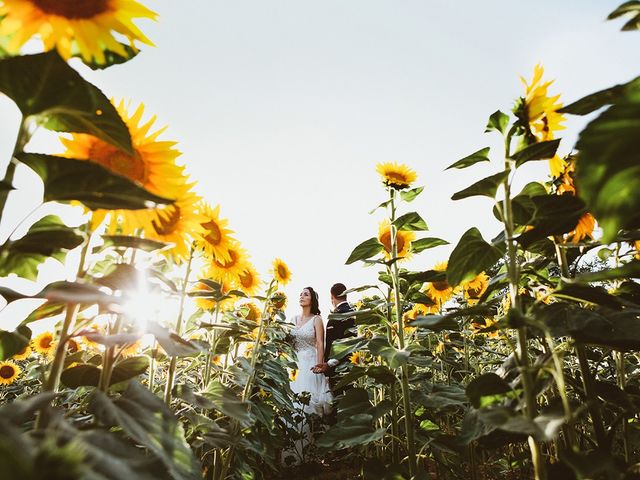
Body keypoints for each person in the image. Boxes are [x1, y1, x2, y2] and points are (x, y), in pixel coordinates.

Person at [284, 287, 332, 465]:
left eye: (306, 294)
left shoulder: (317, 319)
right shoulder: (292, 319)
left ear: (312, 299)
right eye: (300, 293)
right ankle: (293, 455)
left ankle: (313, 455)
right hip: (295, 366)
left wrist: (320, 366)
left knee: (311, 404)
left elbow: (320, 343)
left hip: (311, 364)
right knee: (293, 405)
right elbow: (289, 344)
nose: (301, 296)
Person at [312, 283, 356, 393]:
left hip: (339, 369)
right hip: (354, 367)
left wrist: (328, 364)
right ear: (345, 295)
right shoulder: (355, 314)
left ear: (332, 297)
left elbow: (342, 346)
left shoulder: (336, 317)